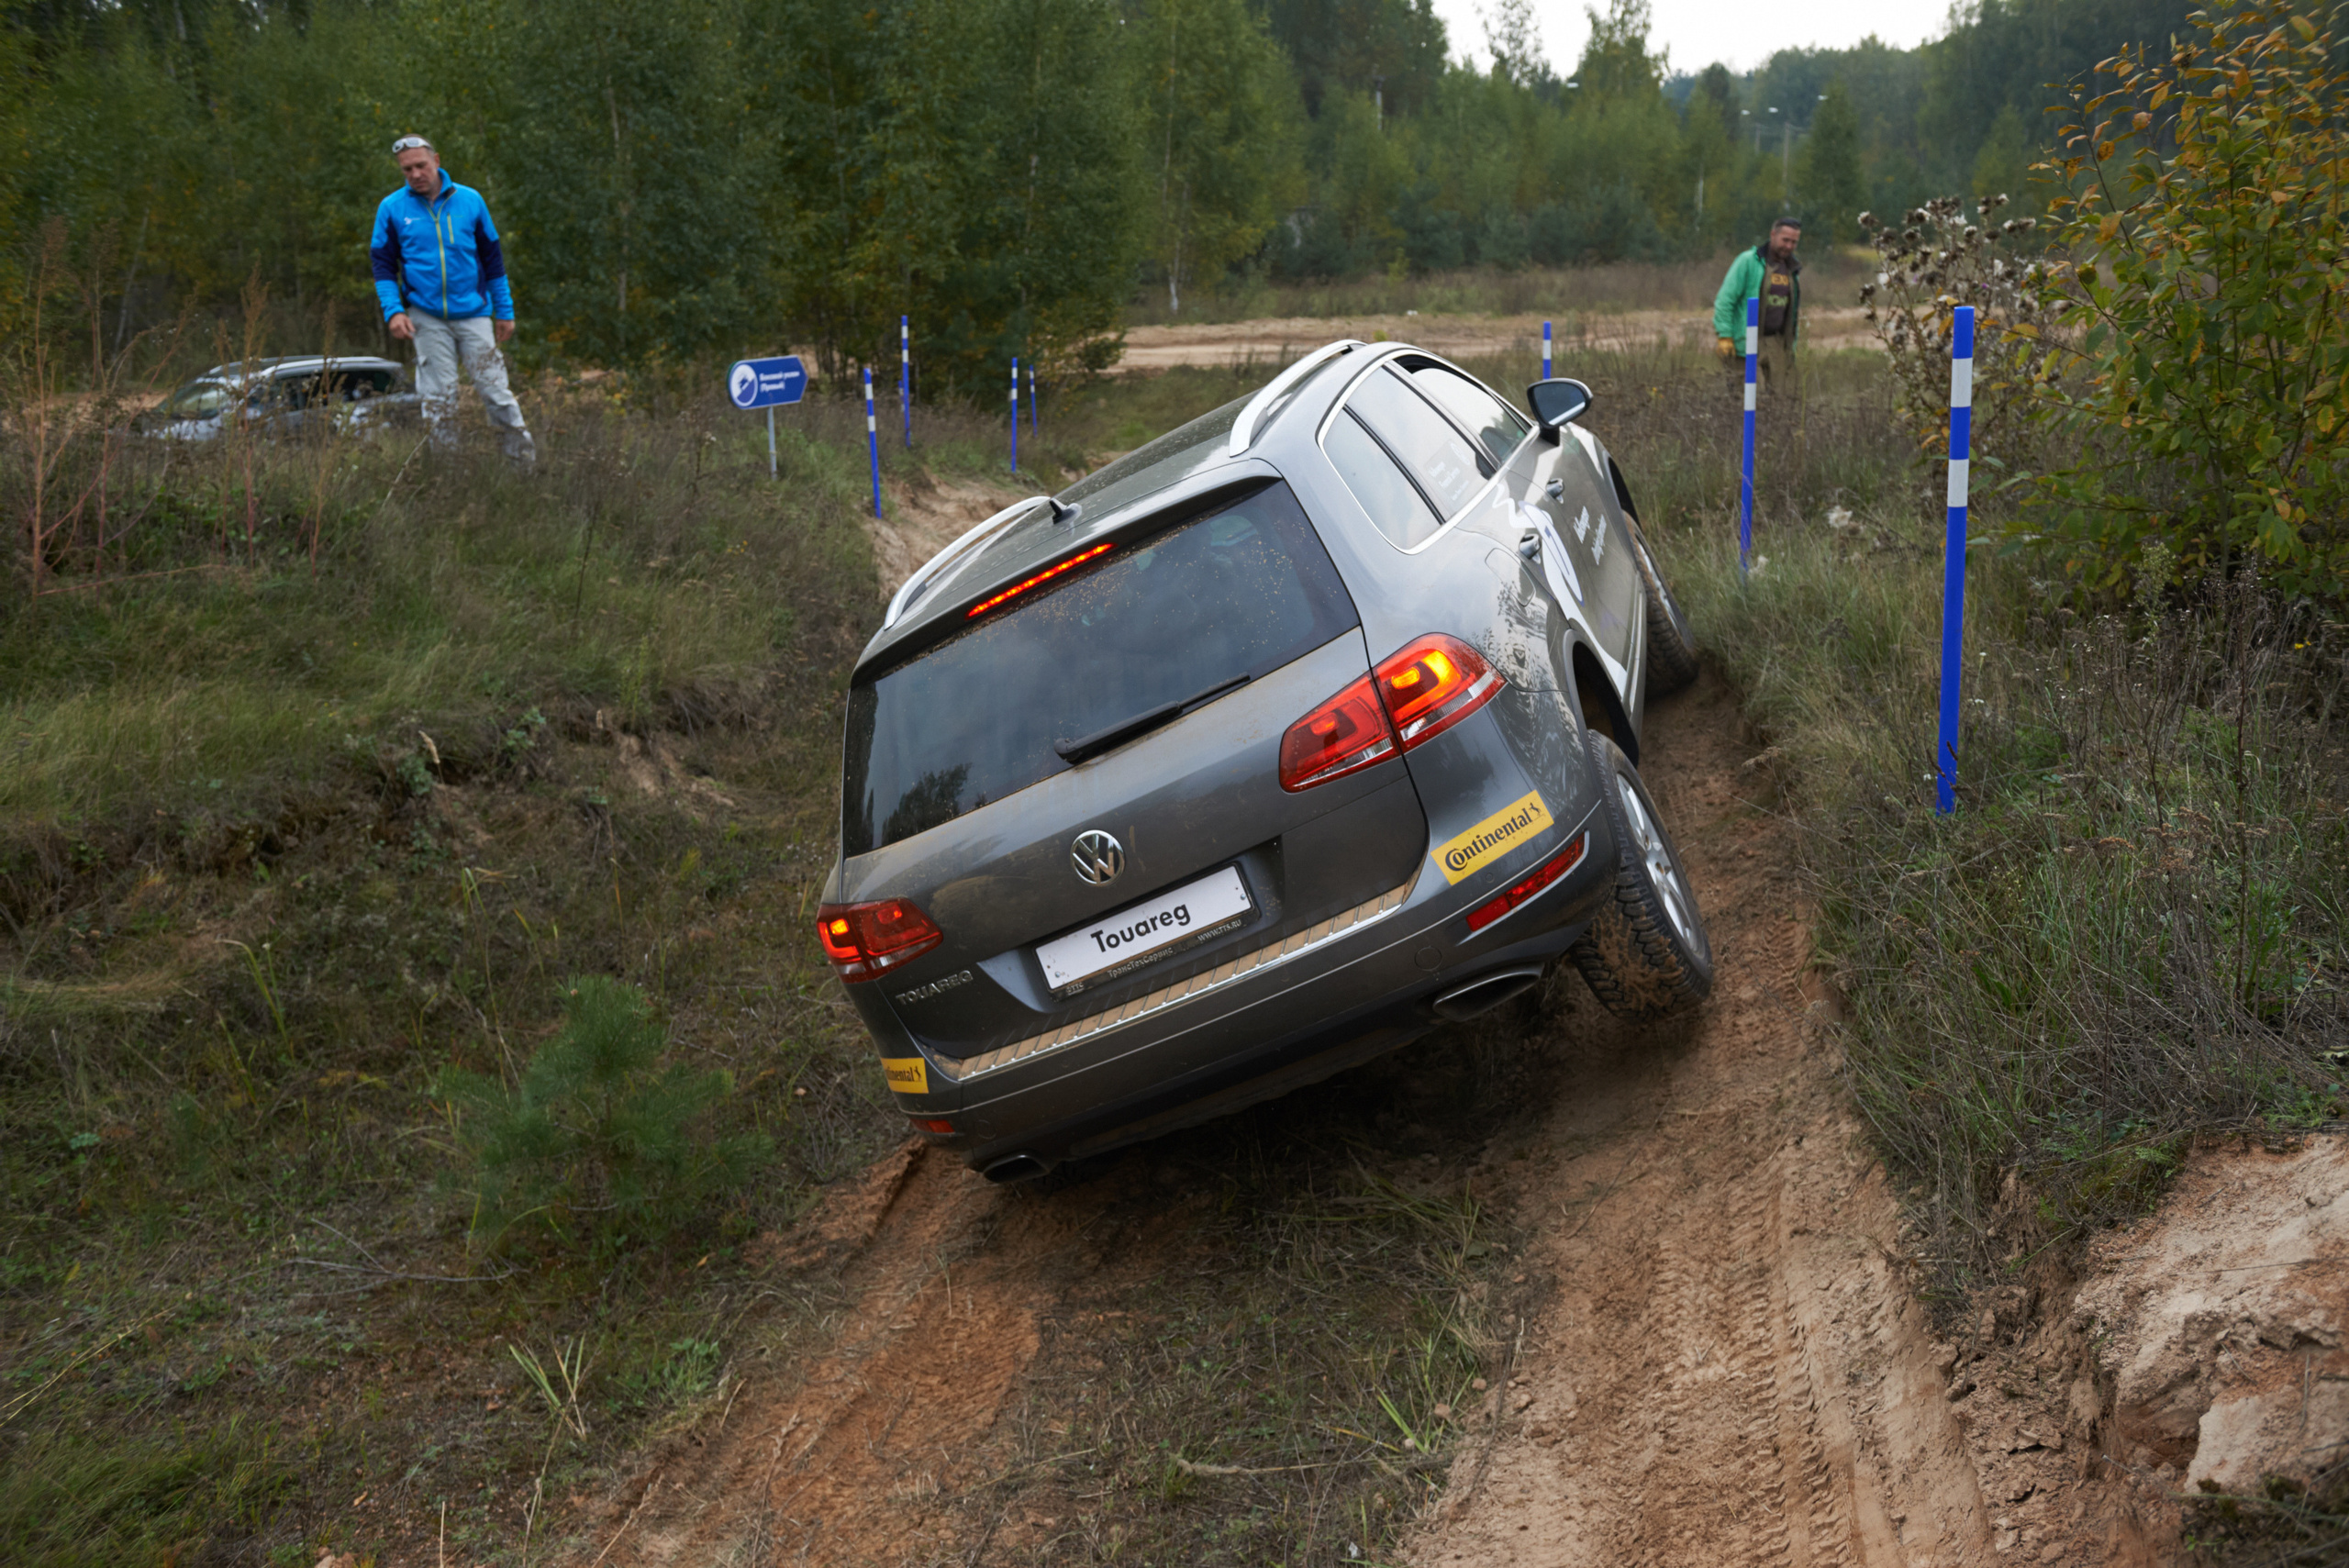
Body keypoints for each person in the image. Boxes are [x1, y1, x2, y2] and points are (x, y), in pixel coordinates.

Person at [370, 135, 536, 466]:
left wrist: (504, 311)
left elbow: (494, 261)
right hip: (424, 315)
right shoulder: (391, 208)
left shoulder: (471, 201)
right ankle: (450, 473)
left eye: (421, 165)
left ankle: (523, 466)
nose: (415, 174)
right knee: (439, 399)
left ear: (437, 161)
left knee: (495, 391)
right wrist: (394, 311)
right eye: (407, 170)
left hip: (474, 312)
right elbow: (383, 266)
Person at [1713, 218, 1803, 395]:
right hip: (1746, 341)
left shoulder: (1792, 269)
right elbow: (1725, 300)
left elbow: (1792, 313)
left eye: (1794, 242)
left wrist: (1791, 346)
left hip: (1776, 343)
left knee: (1779, 399)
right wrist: (1724, 336)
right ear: (1773, 235)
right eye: (1785, 240)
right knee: (1746, 400)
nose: (1789, 246)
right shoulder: (1748, 261)